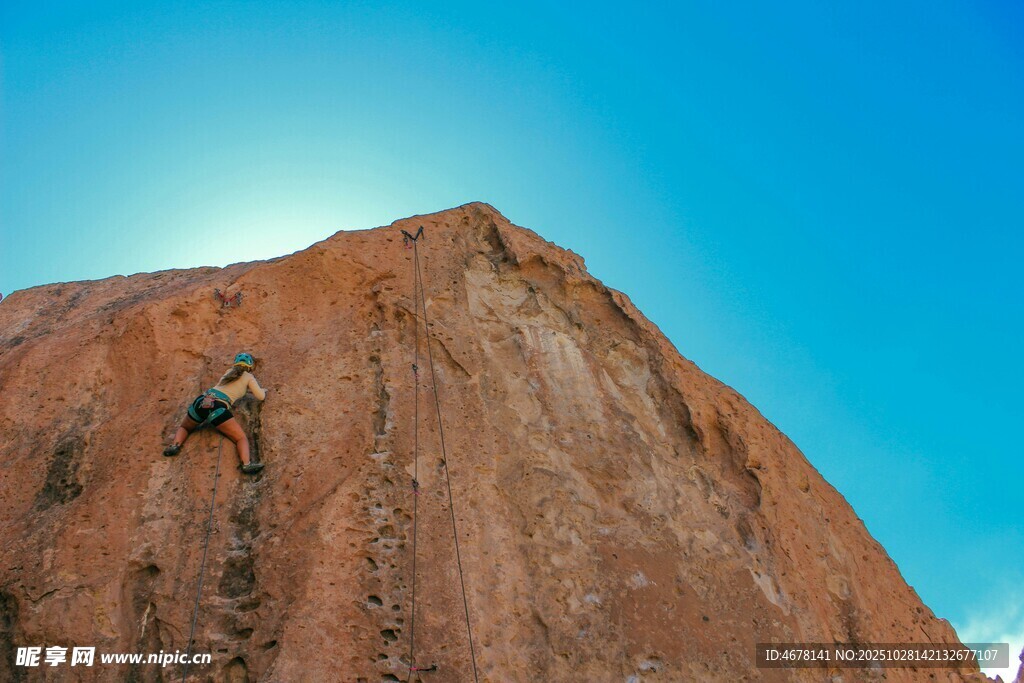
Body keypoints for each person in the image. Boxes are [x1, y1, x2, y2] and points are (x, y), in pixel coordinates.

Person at [163, 352, 268, 474]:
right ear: (250, 366)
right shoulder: (249, 377)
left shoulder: (229, 372)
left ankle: (175, 445)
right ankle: (246, 464)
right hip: (217, 406)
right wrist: (262, 390)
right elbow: (260, 396)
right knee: (241, 438)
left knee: (185, 427)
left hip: (202, 400)